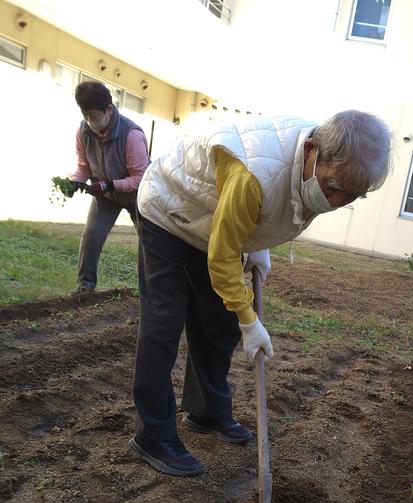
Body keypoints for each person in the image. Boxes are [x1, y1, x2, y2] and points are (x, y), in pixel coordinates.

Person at [129, 109, 392, 476]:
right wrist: (249, 320)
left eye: (353, 196)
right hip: (170, 209)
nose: (337, 202)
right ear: (313, 150)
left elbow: (269, 206)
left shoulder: (314, 166)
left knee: (218, 323)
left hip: (212, 217)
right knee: (164, 320)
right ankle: (152, 435)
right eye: (334, 188)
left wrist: (255, 241)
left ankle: (207, 412)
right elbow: (222, 256)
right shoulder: (251, 176)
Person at [65, 81, 150, 293]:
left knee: (149, 245)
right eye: (86, 115)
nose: (89, 121)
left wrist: (109, 184)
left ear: (108, 110)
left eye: (94, 116)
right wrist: (76, 180)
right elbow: (84, 165)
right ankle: (85, 286)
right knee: (92, 234)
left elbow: (140, 178)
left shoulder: (132, 135)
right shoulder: (83, 132)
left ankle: (150, 289)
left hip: (138, 196)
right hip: (107, 195)